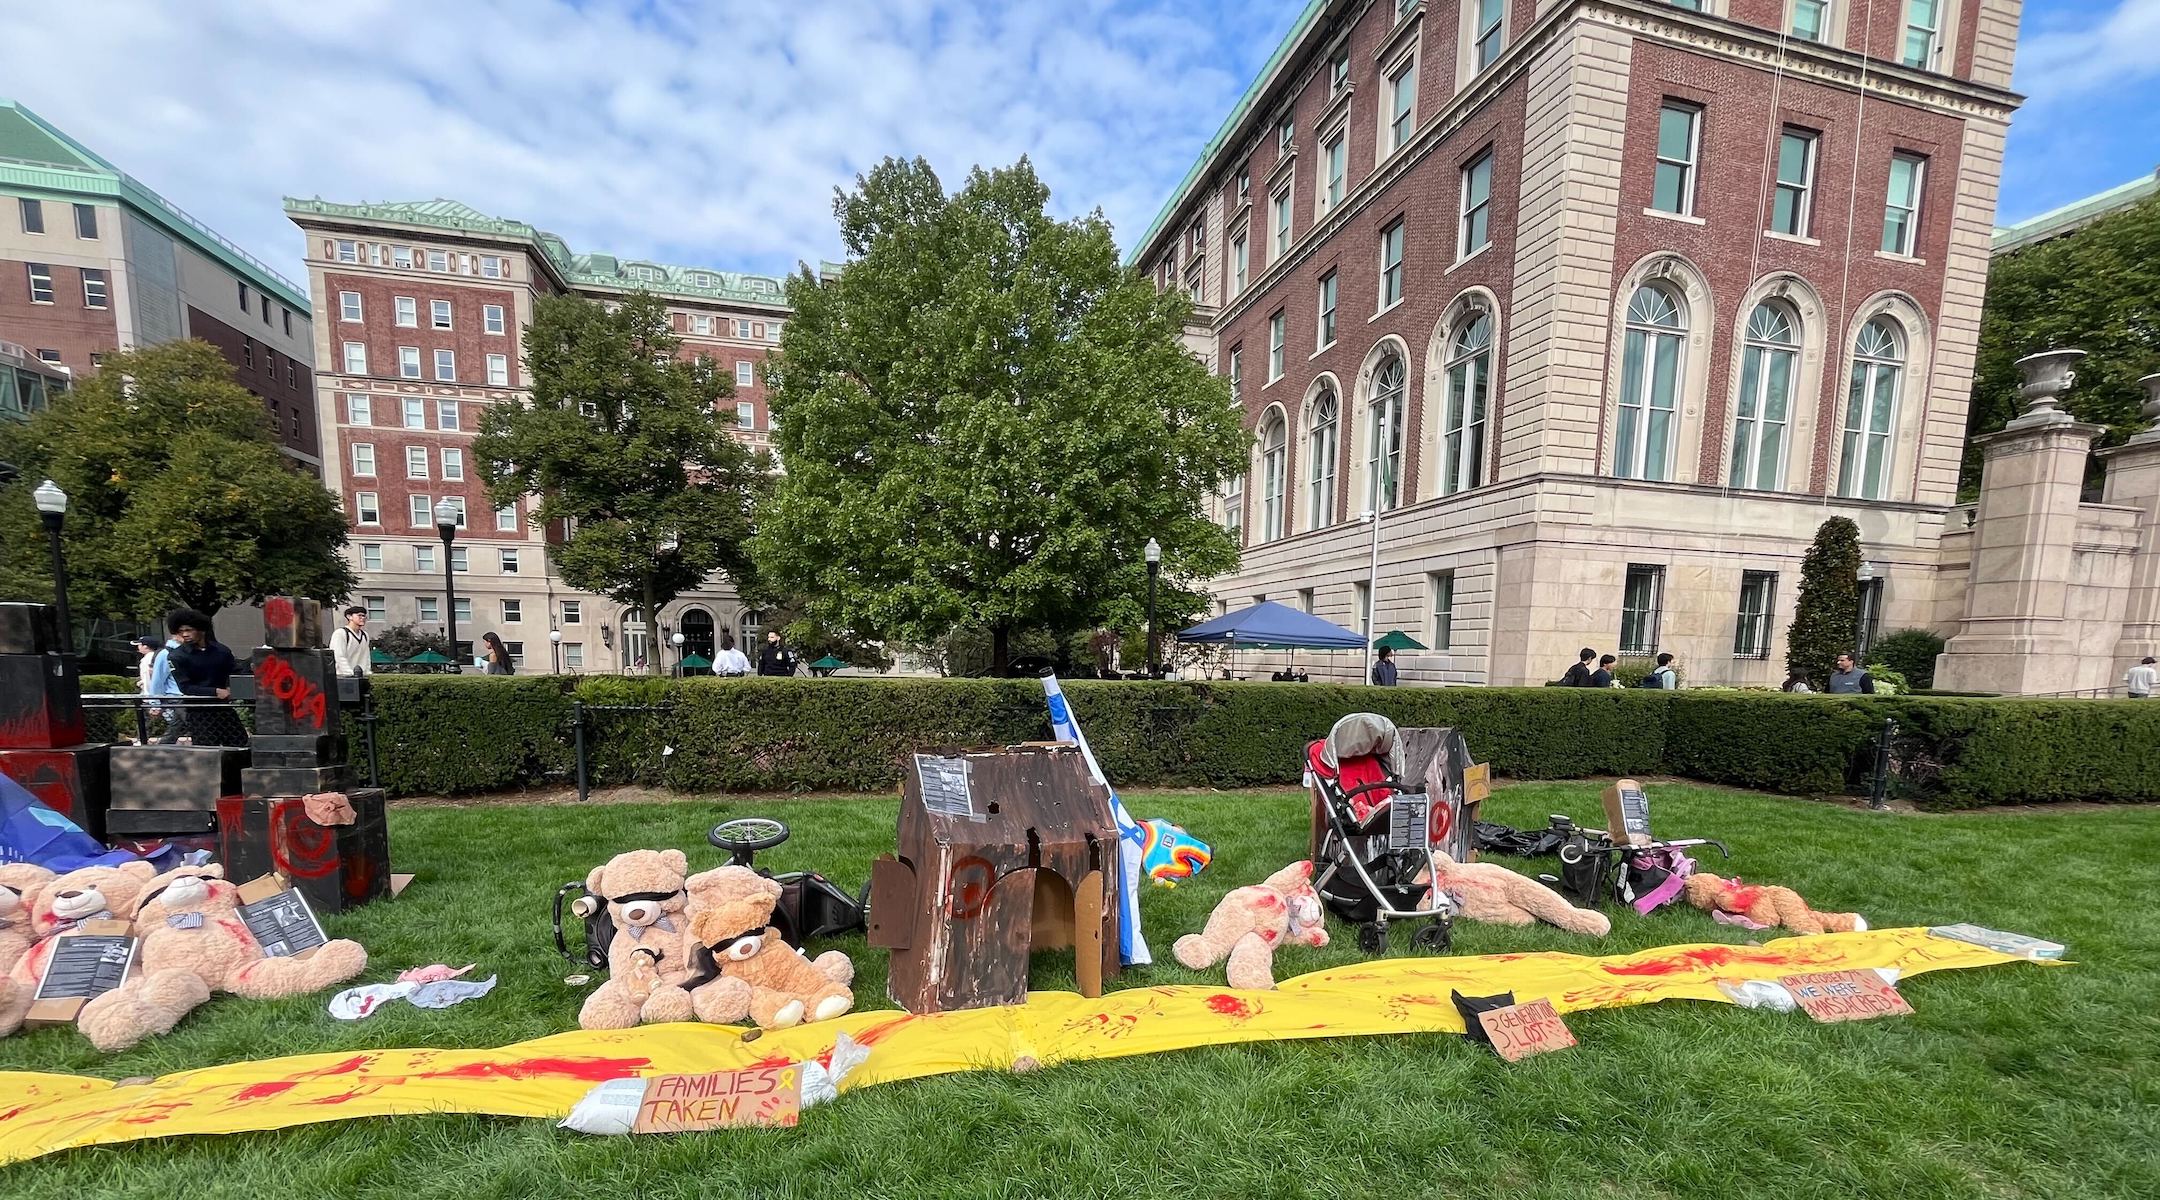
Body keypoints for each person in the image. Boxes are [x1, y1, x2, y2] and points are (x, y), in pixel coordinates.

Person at [165, 610, 237, 745]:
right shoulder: (177, 656)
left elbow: (234, 671)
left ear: (201, 630)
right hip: (198, 711)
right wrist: (215, 691)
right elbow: (185, 687)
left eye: (189, 630)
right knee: (208, 747)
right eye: (180, 631)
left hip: (223, 708)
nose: (185, 634)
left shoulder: (222, 651)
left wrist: (230, 687)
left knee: (238, 743)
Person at [331, 606, 373, 678]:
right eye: (359, 615)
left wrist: (367, 671)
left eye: (364, 616)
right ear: (349, 617)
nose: (362, 618)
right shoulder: (340, 633)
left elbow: (366, 656)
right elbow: (338, 656)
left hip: (360, 676)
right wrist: (350, 673)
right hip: (342, 676)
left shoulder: (364, 635)